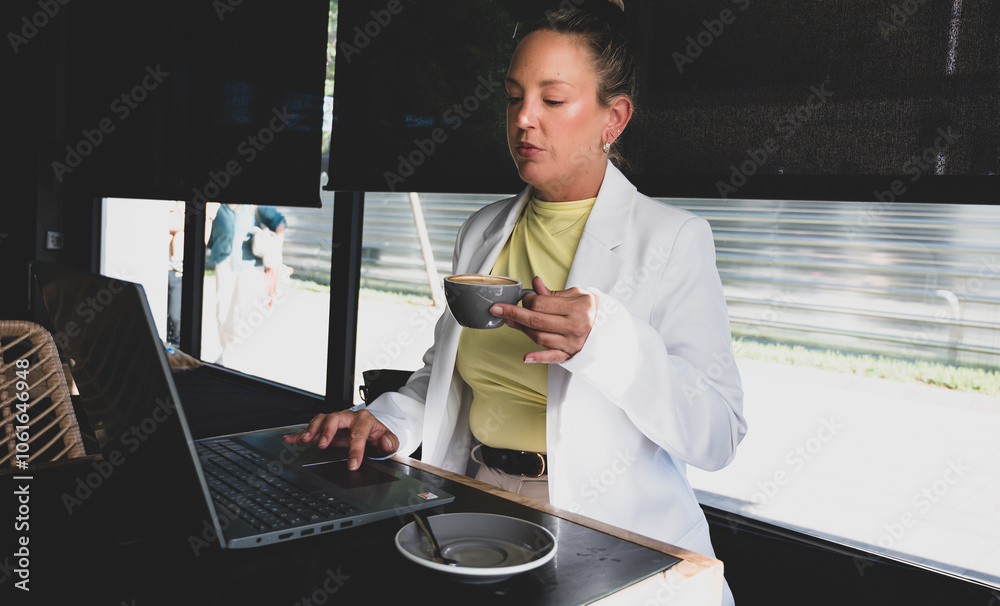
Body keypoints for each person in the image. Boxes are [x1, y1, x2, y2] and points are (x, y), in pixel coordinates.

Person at [286, 3, 746, 603]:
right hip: (481, 504)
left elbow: (718, 433)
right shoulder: (483, 230)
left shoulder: (673, 239)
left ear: (613, 118)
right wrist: (386, 420)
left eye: (552, 99)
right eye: (512, 97)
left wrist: (607, 342)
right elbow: (446, 376)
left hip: (612, 534)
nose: (524, 118)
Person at [205, 203, 287, 365]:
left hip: (250, 265)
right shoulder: (217, 207)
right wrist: (208, 216)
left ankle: (244, 356)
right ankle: (227, 351)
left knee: (246, 310)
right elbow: (207, 240)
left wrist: (276, 249)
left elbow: (279, 222)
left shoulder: (252, 205)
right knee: (222, 312)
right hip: (224, 263)